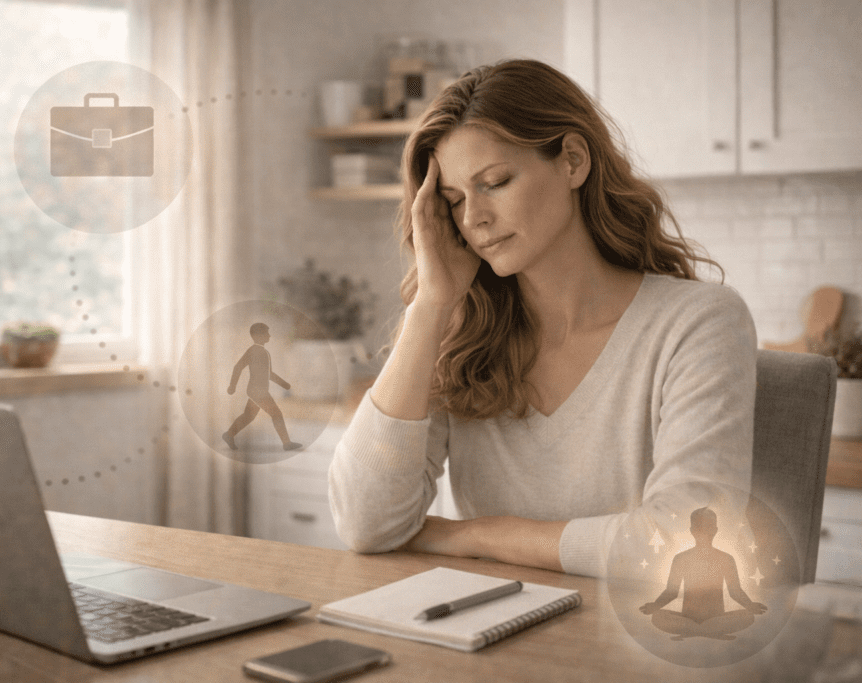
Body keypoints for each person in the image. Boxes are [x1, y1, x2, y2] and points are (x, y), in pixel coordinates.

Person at [327, 59, 757, 578]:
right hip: (484, 639)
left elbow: (681, 542)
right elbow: (364, 524)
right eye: (454, 200)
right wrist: (431, 306)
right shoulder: (461, 335)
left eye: (496, 182)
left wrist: (473, 535)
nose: (473, 218)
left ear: (573, 161)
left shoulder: (698, 323)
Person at [640, 508, 767, 640]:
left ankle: (694, 631)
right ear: (692, 531)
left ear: (715, 530)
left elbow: (735, 591)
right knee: (657, 617)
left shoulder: (726, 559)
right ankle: (708, 631)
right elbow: (672, 592)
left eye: (708, 527)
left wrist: (750, 606)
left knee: (748, 616)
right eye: (700, 527)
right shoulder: (681, 558)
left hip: (716, 618)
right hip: (688, 618)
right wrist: (655, 606)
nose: (704, 531)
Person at [223, 322, 302, 452]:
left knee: (249, 416)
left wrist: (284, 384)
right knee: (276, 414)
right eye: (266, 333)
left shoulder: (265, 352)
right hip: (257, 391)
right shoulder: (252, 351)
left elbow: (269, 374)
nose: (269, 336)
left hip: (259, 391)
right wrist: (232, 386)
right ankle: (287, 443)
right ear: (257, 336)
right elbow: (238, 367)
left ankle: (229, 434)